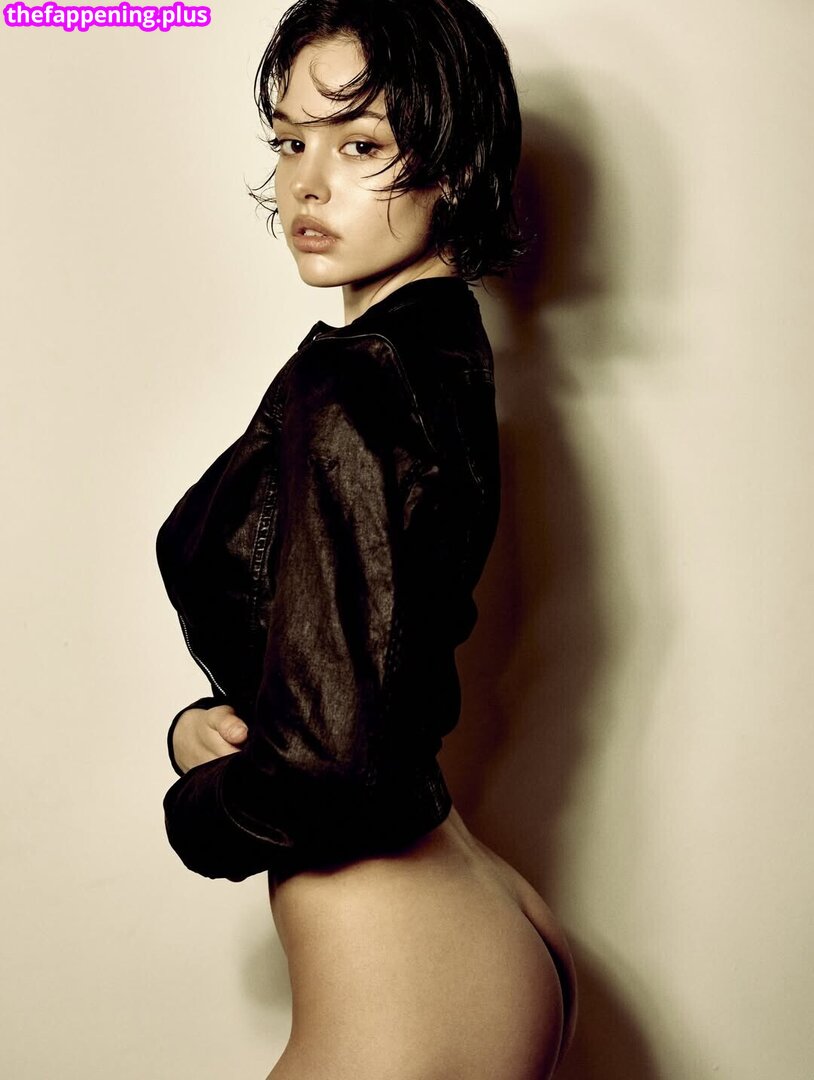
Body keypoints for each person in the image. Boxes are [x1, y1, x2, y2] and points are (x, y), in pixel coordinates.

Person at [156, 0, 577, 1076]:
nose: (308, 183)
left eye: (359, 145)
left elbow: (332, 770)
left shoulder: (359, 381)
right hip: (459, 915)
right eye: (291, 142)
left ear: (456, 167)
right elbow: (349, 670)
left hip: (399, 975)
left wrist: (194, 802)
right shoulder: (441, 355)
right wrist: (211, 720)